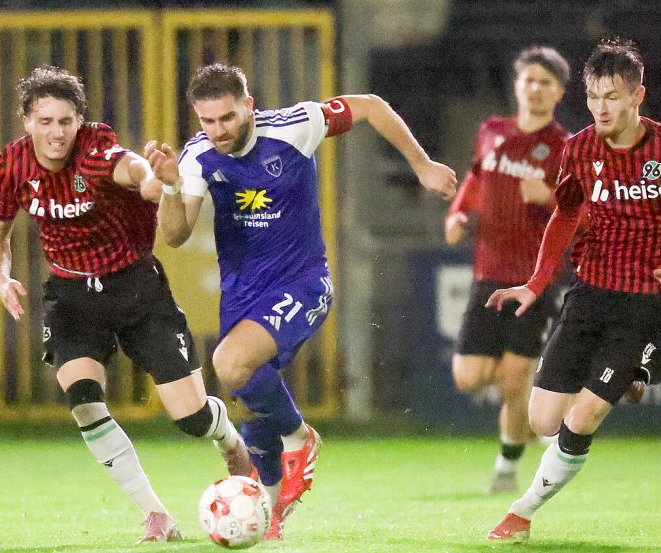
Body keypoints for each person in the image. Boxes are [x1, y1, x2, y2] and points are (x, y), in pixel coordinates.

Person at [145, 63, 457, 540]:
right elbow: (175, 234)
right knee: (252, 407)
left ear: (248, 105)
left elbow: (370, 107)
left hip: (303, 283)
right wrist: (169, 185)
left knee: (229, 364)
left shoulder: (296, 126)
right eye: (206, 121)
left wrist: (422, 165)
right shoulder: (198, 156)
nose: (218, 131)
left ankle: (301, 438)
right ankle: (268, 513)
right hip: (242, 296)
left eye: (226, 118)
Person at [0, 65, 251, 544]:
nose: (56, 132)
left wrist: (162, 180)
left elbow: (135, 173)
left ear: (79, 121)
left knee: (190, 418)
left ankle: (229, 439)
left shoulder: (95, 151)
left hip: (136, 290)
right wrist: (1, 278)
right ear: (26, 121)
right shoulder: (12, 167)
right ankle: (156, 514)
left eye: (66, 121)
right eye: (45, 121)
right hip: (71, 298)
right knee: (83, 400)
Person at [483, 38, 661, 543]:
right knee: (544, 420)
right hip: (590, 293)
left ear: (637, 95)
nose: (600, 107)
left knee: (584, 415)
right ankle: (639, 367)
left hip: (643, 301)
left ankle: (521, 512)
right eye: (592, 96)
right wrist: (536, 281)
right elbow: (565, 212)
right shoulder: (580, 148)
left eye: (611, 96)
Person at [444, 46, 570, 493]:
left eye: (545, 82)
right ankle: (529, 414)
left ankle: (506, 467)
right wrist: (458, 214)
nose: (535, 88)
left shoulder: (564, 147)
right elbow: (476, 180)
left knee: (515, 380)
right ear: (517, 85)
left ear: (559, 92)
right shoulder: (492, 132)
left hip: (535, 280)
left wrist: (550, 197)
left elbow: (583, 208)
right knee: (468, 377)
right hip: (488, 272)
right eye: (528, 80)